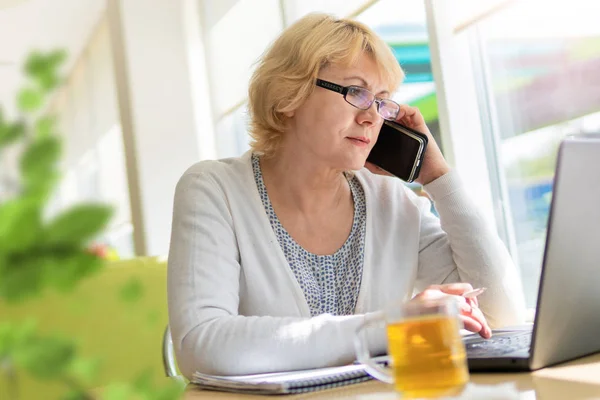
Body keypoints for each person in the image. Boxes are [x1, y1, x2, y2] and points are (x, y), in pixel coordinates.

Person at [167, 13, 525, 379]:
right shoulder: (214, 189)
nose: (373, 117)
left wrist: (438, 178)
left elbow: (502, 313)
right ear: (290, 94)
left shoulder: (393, 202)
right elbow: (201, 345)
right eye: (356, 92)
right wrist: (388, 327)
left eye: (383, 101)